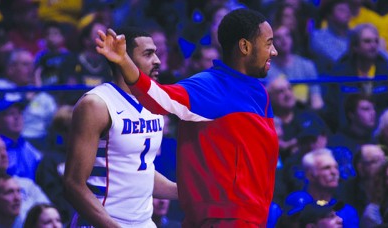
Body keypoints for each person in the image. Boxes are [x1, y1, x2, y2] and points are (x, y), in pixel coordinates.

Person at [96, 8, 279, 227]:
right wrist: (124, 62)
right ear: (245, 47)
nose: (274, 51)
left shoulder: (260, 93)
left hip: (255, 220)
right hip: (221, 220)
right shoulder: (208, 86)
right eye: (268, 43)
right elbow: (160, 98)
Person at [64, 27, 177, 228]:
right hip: (101, 222)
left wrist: (187, 192)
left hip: (143, 223)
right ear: (123, 57)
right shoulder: (97, 104)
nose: (158, 60)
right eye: (148, 54)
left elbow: (138, 170)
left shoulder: (156, 103)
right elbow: (73, 184)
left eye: (156, 53)